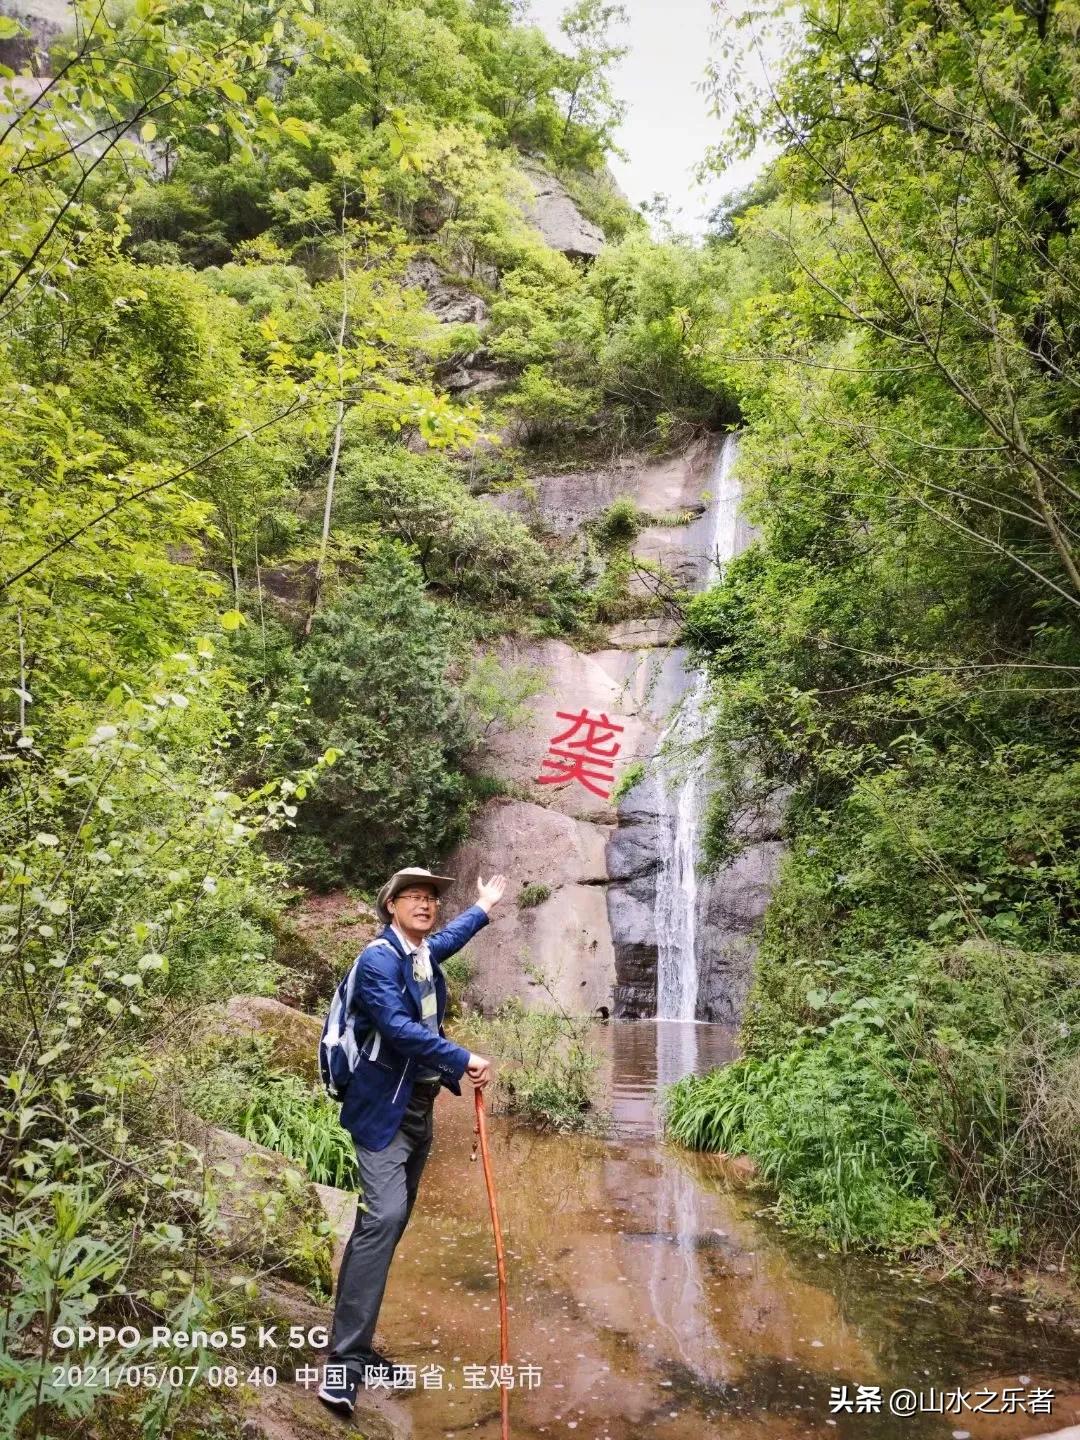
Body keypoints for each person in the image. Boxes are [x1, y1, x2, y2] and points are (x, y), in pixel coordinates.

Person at [318, 866, 506, 1416]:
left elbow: (445, 941)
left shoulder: (419, 953)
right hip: (383, 1113)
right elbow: (399, 1028)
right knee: (384, 1218)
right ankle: (344, 1365)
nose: (424, 905)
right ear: (391, 905)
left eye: (430, 899)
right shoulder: (379, 959)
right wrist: (461, 1058)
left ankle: (357, 1340)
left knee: (385, 1224)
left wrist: (485, 907)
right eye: (413, 897)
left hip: (417, 1110)